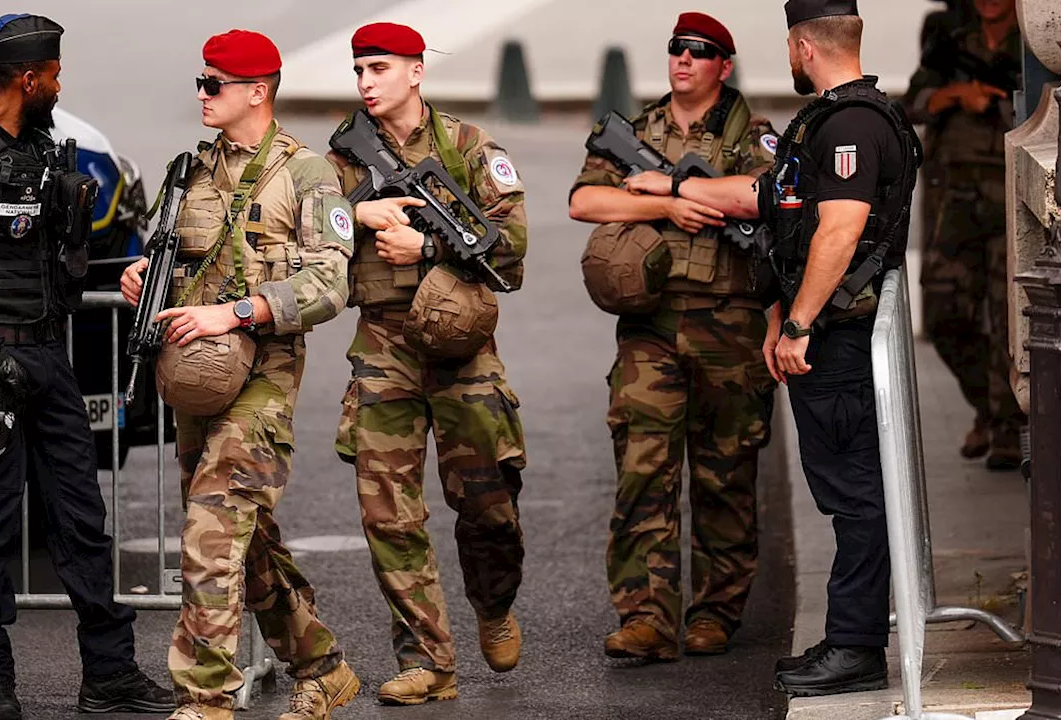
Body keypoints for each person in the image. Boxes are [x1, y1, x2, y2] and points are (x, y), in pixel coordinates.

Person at [0, 14, 173, 720]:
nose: (59, 85)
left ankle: (110, 676)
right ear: (27, 79)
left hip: (49, 356)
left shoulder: (44, 152)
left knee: (82, 523)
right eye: (53, 74)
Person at [119, 29, 358, 720]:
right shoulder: (190, 170)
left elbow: (331, 282)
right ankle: (324, 667)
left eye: (213, 83)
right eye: (200, 81)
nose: (201, 93)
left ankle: (207, 699)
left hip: (263, 381)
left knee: (210, 534)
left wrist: (240, 311)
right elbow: (181, 257)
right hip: (197, 377)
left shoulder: (307, 173)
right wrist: (147, 277)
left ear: (257, 91)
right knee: (242, 542)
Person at [324, 22, 529, 707]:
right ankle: (427, 661)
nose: (366, 82)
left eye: (379, 68)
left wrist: (429, 249)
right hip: (383, 347)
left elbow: (513, 249)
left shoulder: (469, 147)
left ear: (416, 71)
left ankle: (494, 605)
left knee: (488, 507)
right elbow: (309, 228)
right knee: (388, 514)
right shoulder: (345, 157)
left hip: (462, 345)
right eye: (359, 70)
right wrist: (363, 213)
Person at [568, 12, 779, 660]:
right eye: (676, 50)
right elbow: (585, 200)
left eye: (699, 52)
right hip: (651, 327)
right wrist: (666, 206)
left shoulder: (755, 134)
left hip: (731, 325)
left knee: (725, 476)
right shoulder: (637, 132)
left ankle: (716, 610)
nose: (683, 60)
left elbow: (764, 195)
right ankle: (647, 618)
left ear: (725, 65)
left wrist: (683, 184)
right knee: (642, 470)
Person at [761, 0, 921, 697]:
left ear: (802, 45)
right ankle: (849, 635)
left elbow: (839, 230)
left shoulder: (851, 123)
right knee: (848, 495)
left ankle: (857, 647)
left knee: (855, 499)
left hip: (837, 343)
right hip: (832, 337)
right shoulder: (841, 117)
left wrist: (797, 325)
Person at [903, 0, 1023, 470]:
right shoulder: (951, 37)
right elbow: (912, 103)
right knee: (943, 314)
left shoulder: (1035, 43)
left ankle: (1008, 428)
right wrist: (958, 94)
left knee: (1008, 319)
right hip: (954, 198)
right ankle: (989, 409)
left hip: (1014, 199)